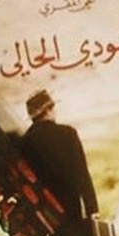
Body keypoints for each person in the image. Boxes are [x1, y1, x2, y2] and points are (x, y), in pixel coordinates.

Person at [20, 89, 98, 223]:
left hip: (46, 211)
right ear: (48, 110)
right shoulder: (68, 133)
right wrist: (92, 209)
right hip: (71, 206)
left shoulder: (24, 143)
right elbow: (81, 173)